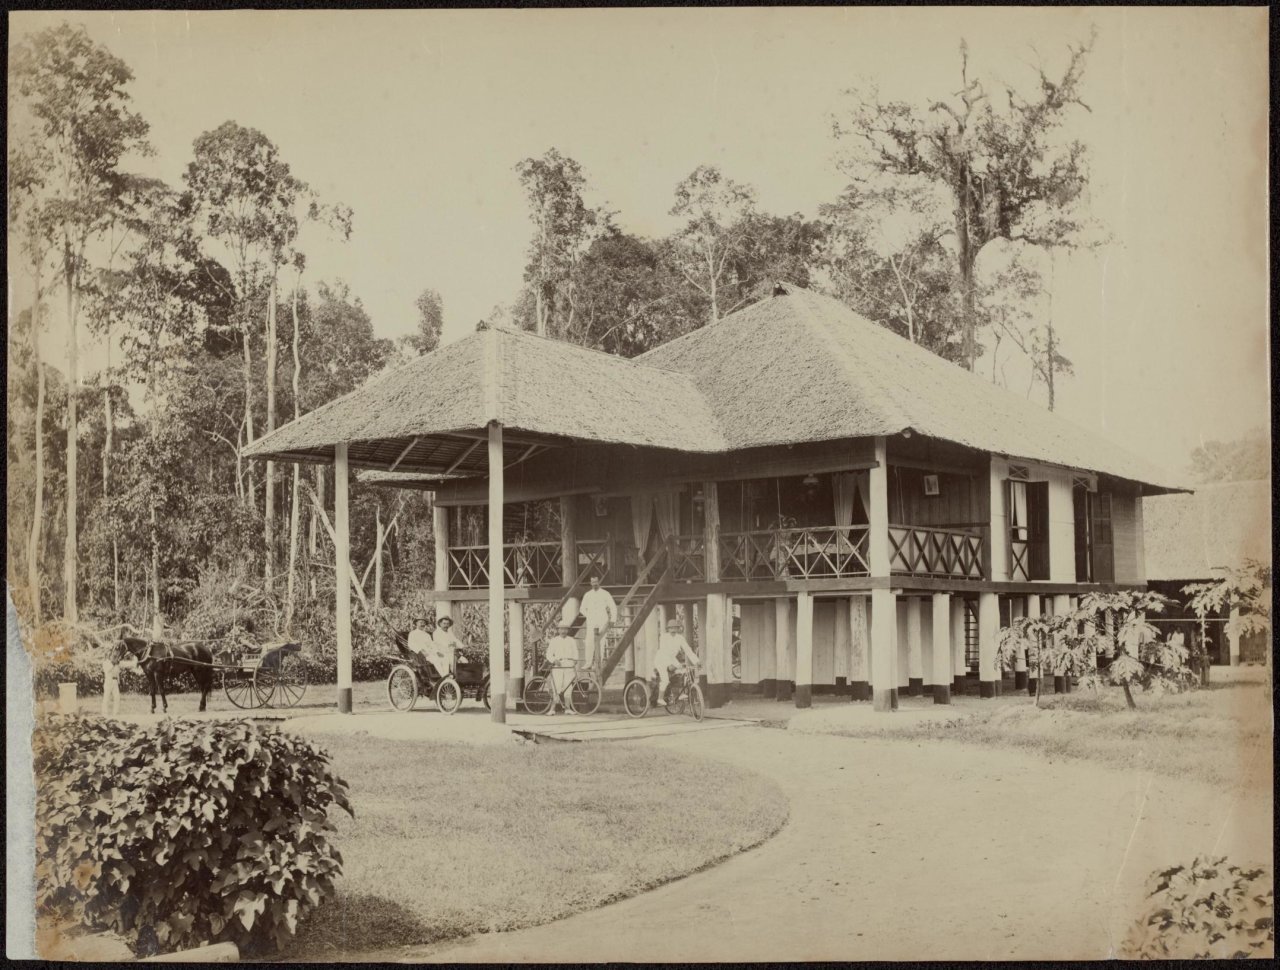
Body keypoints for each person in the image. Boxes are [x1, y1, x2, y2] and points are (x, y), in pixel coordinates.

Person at [653, 617, 700, 706]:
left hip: (672, 658)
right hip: (661, 659)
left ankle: (679, 694)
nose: (673, 630)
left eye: (675, 628)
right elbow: (664, 651)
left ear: (678, 629)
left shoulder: (680, 638)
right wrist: (671, 664)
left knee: (682, 672)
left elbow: (687, 650)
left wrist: (696, 661)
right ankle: (660, 699)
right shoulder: (664, 637)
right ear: (668, 629)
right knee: (665, 679)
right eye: (671, 628)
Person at [578, 573, 617, 668]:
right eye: (593, 582)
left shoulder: (605, 594)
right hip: (591, 621)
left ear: (599, 582)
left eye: (596, 582)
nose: (595, 584)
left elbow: (613, 607)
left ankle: (598, 663)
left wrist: (613, 619)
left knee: (601, 642)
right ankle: (588, 663)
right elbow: (582, 609)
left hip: (602, 620)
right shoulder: (587, 595)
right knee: (589, 641)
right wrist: (589, 615)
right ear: (590, 583)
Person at [544, 623, 581, 716]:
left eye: (565, 629)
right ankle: (552, 709)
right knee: (556, 685)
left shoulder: (571, 640)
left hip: (569, 664)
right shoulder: (554, 640)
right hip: (558, 664)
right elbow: (548, 654)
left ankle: (568, 708)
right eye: (561, 629)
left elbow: (575, 651)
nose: (563, 631)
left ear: (567, 630)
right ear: (558, 630)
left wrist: (575, 659)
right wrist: (554, 660)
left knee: (568, 686)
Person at [429, 615, 463, 680]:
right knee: (448, 661)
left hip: (451, 652)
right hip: (442, 653)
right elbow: (442, 644)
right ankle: (447, 678)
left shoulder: (450, 633)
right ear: (440, 624)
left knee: (464, 660)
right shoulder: (436, 633)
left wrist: (462, 646)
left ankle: (461, 678)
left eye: (447, 624)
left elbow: (455, 640)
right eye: (444, 623)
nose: (446, 625)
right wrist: (452, 644)